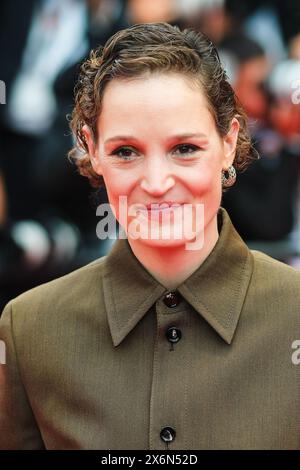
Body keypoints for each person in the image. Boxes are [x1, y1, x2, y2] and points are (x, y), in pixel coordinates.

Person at [1, 22, 300, 451]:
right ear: (93, 149)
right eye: (126, 151)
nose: (157, 182)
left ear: (229, 143)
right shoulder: (29, 329)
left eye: (185, 149)